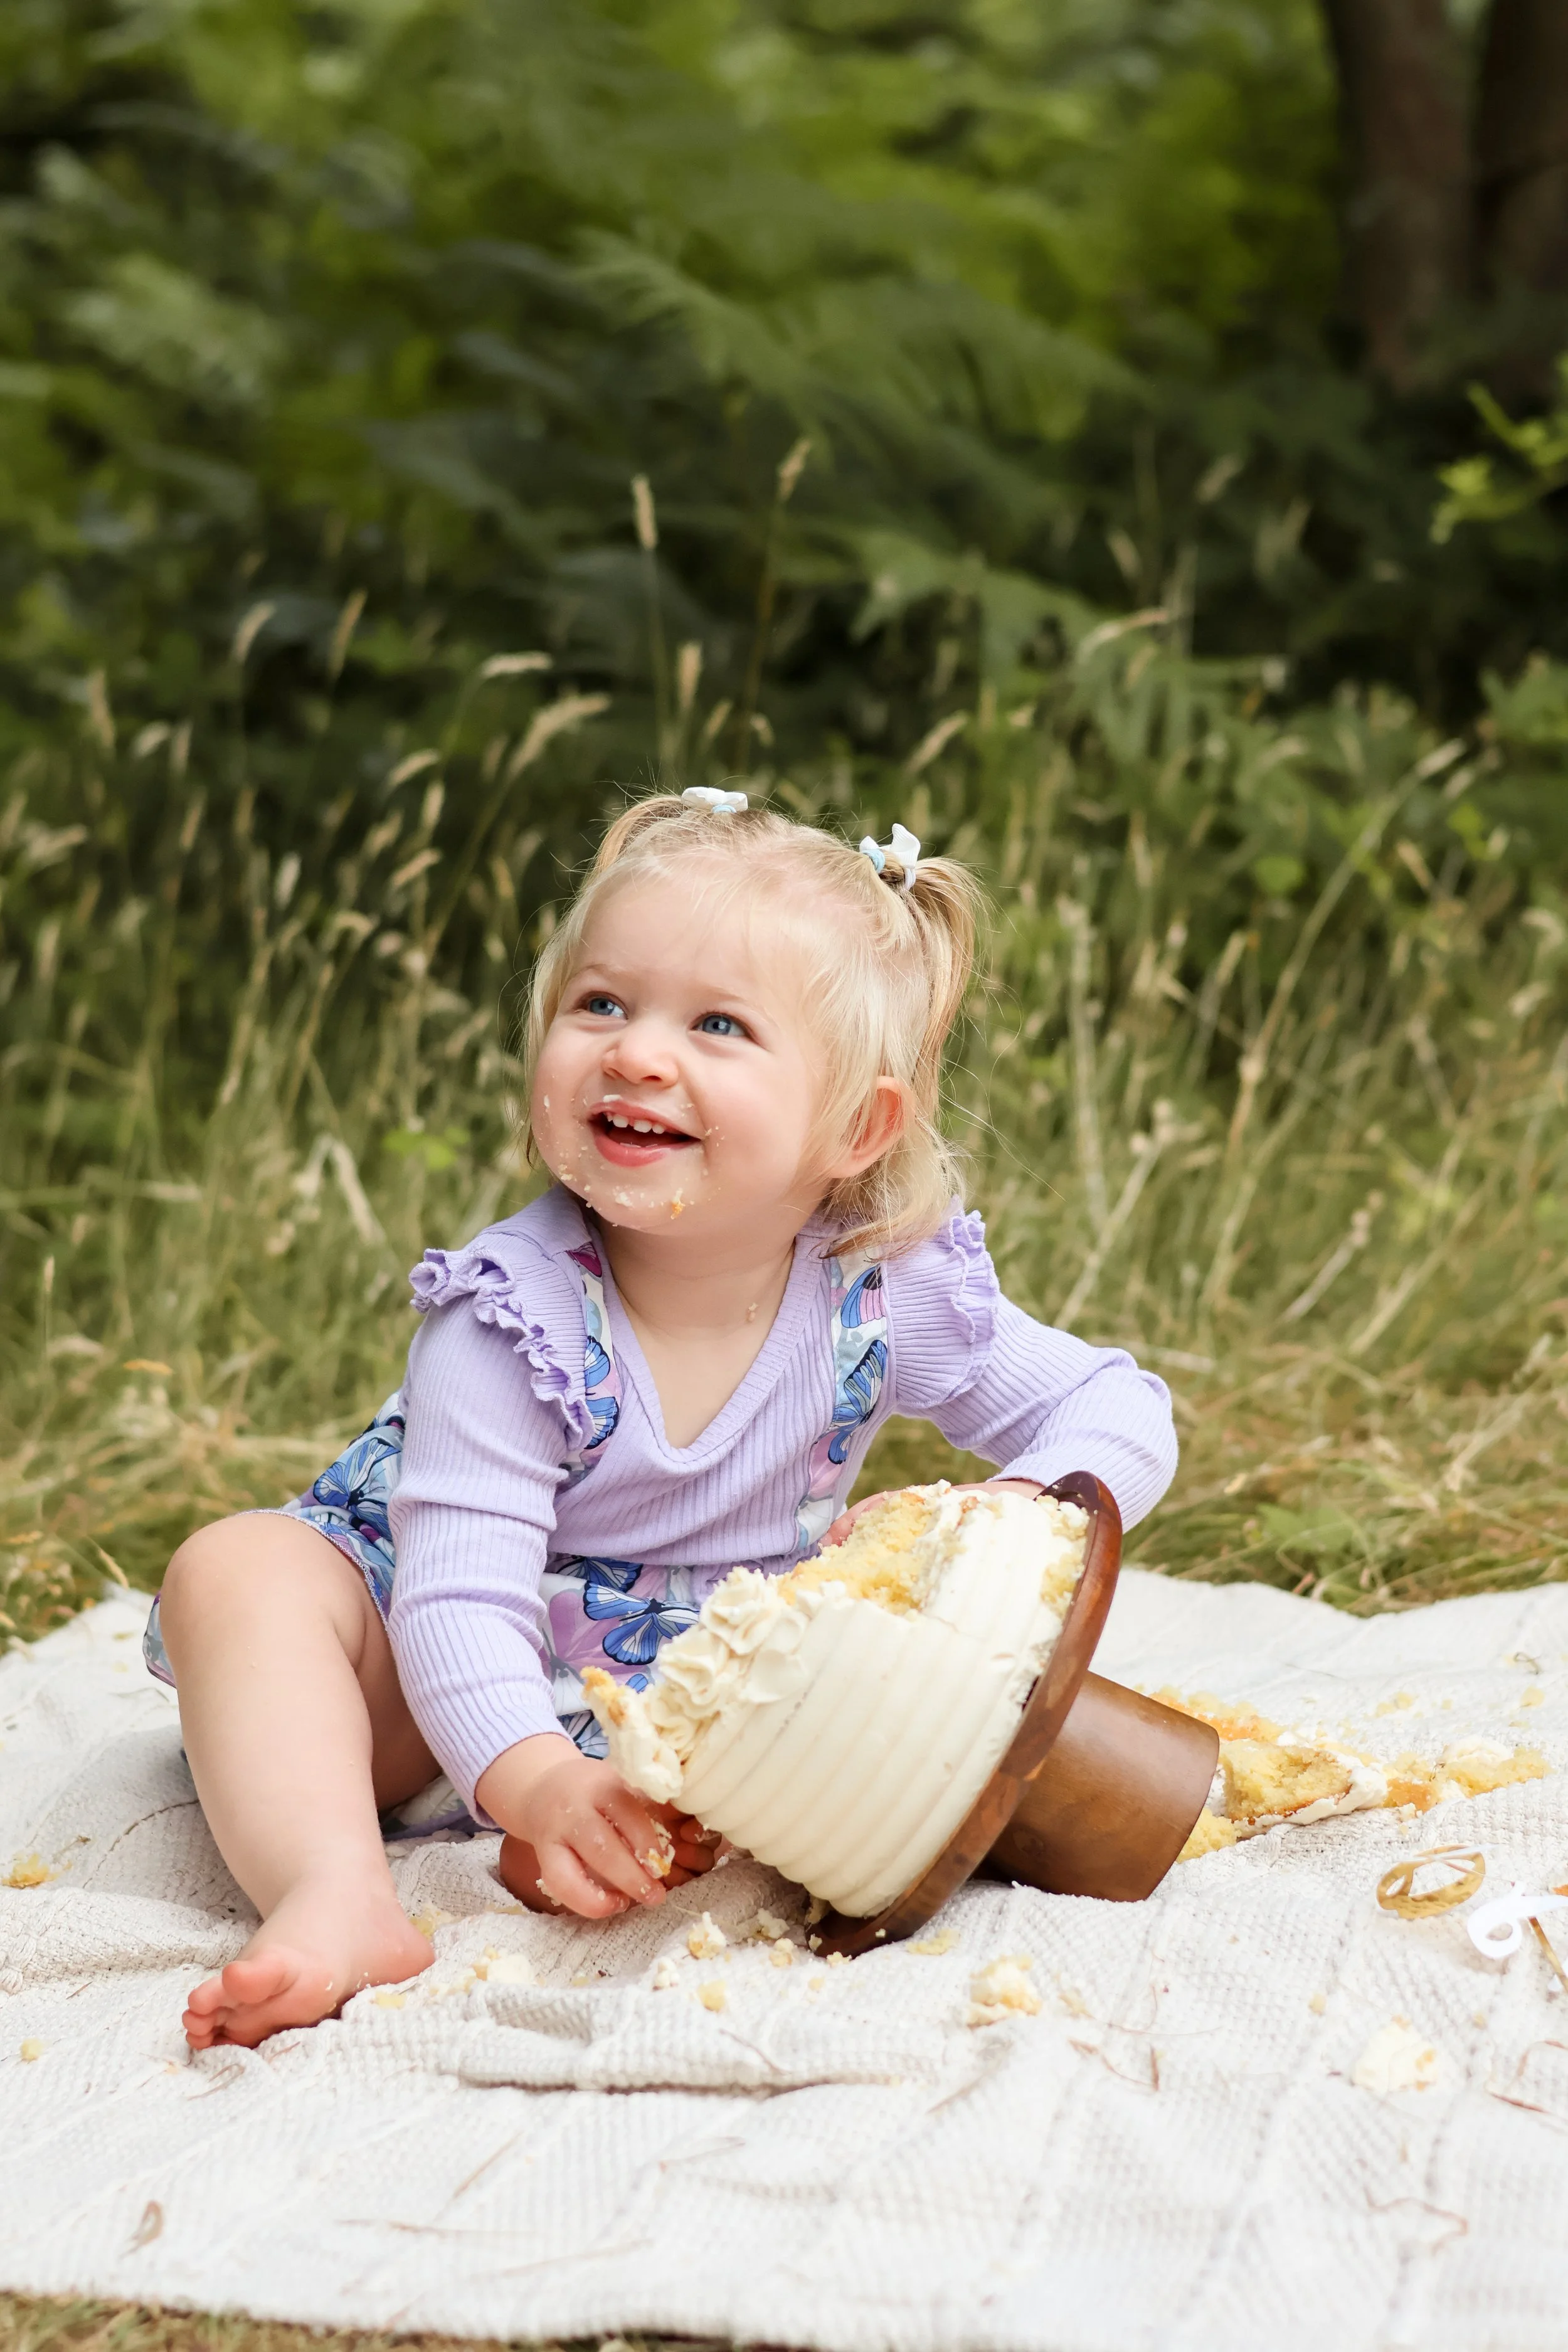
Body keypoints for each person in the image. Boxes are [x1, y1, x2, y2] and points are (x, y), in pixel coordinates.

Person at [149, 790, 1178, 2048]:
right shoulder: (509, 1320)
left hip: (674, 1699)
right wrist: (529, 1778)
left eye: (718, 1026)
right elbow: (456, 1599)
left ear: (855, 1127)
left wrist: (1027, 1517)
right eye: (601, 1005)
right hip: (416, 1674)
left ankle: (583, 1845)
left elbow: (1111, 1405)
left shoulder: (877, 1292)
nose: (638, 1053)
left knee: (869, 1735)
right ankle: (335, 1887)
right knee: (238, 1572)